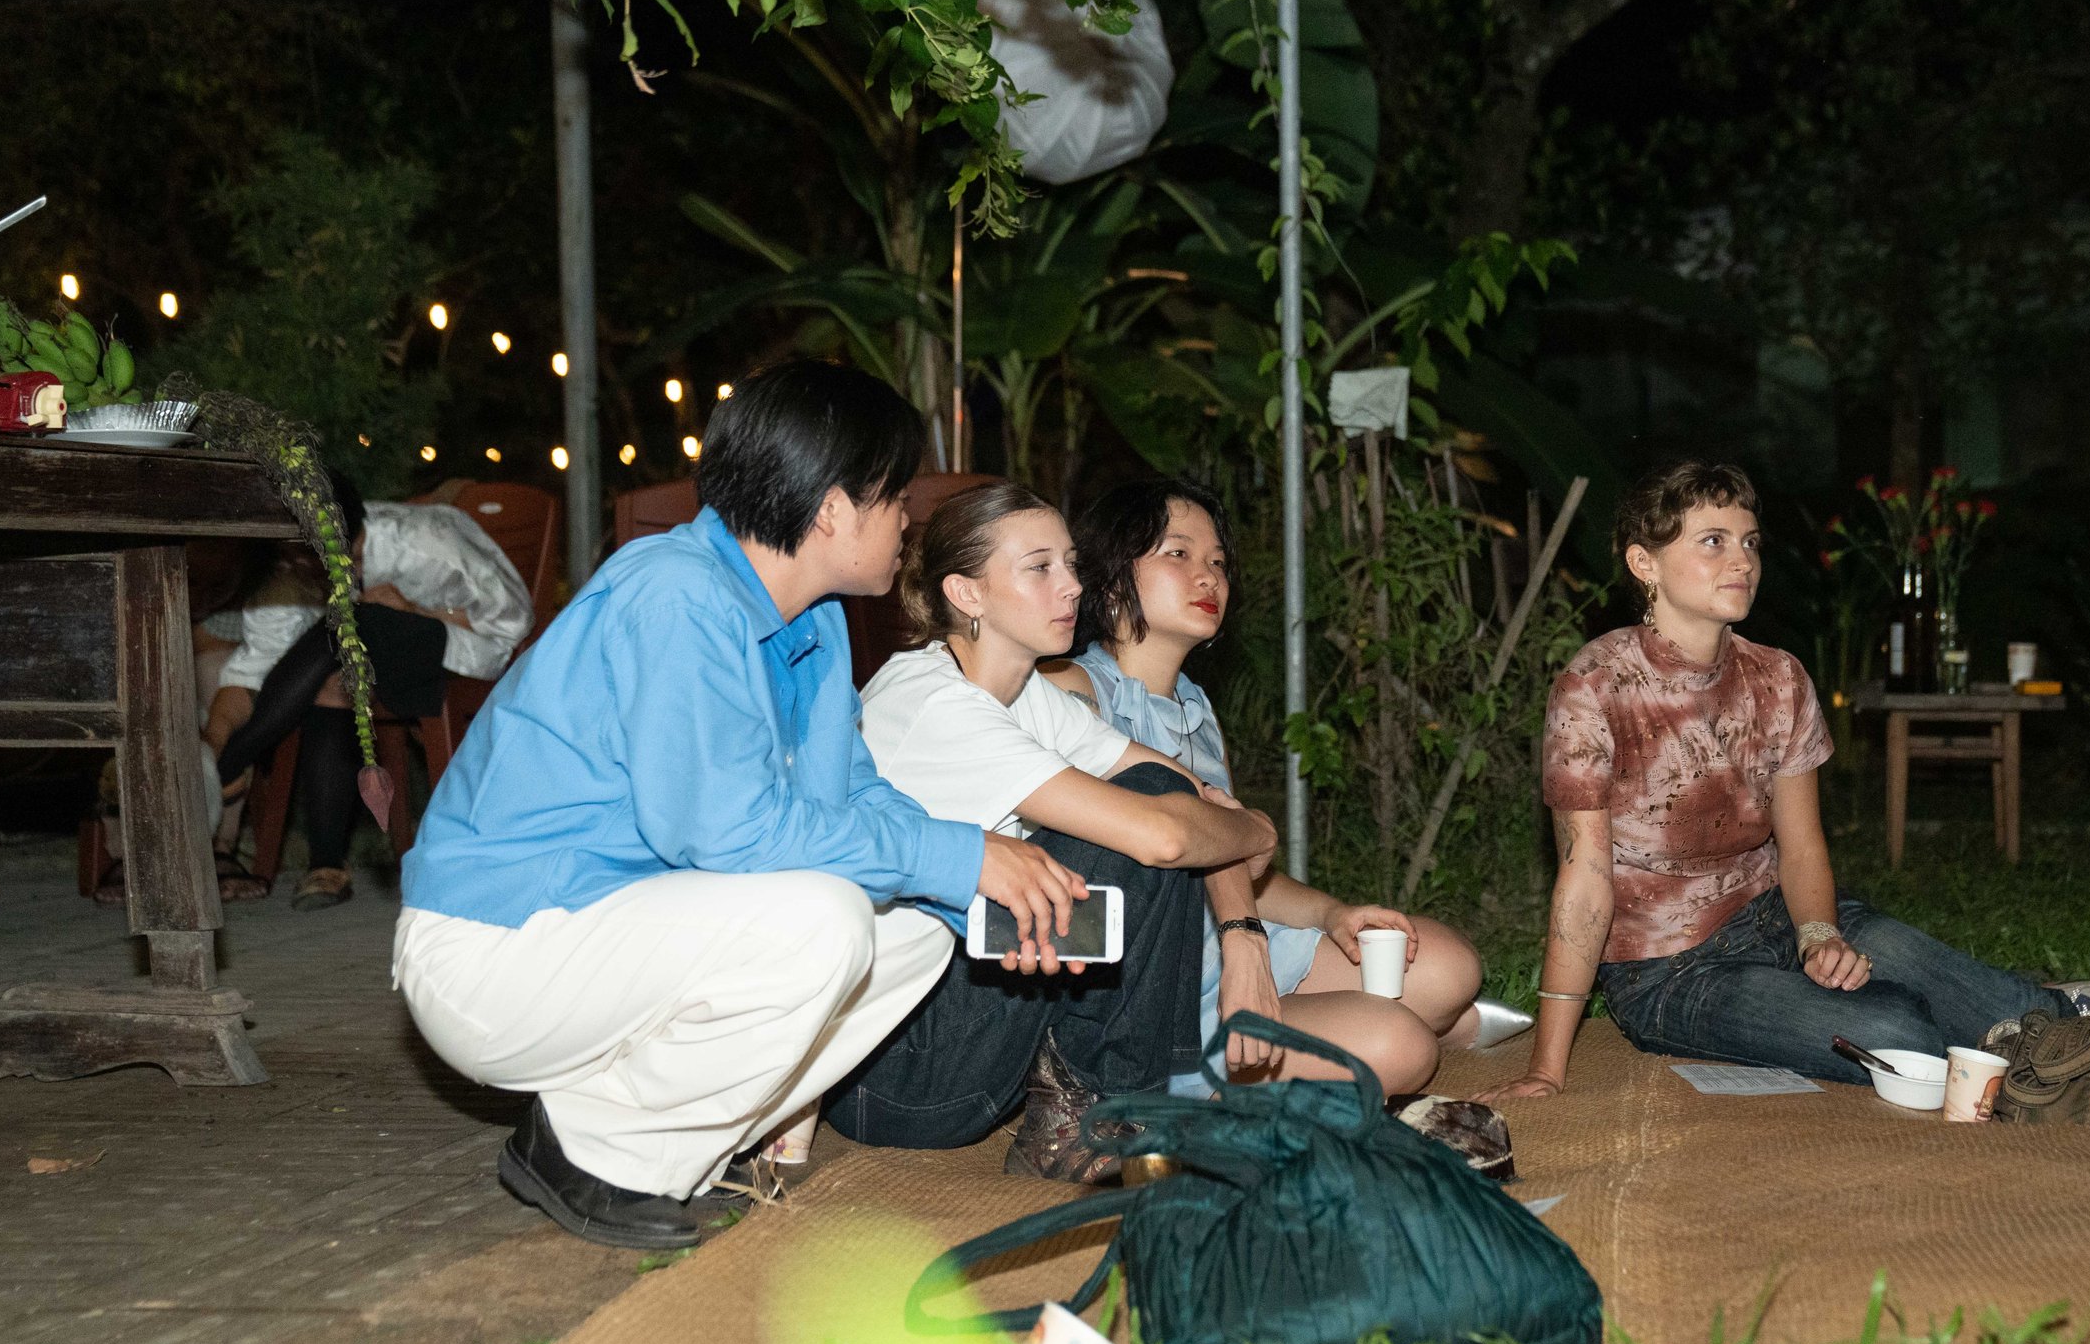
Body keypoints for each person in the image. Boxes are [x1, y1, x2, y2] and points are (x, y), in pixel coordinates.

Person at [392, 363, 1085, 1251]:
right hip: (495, 950)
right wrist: (960, 855)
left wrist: (973, 883)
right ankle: (598, 1150)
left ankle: (639, 1136)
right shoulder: (674, 594)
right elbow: (727, 828)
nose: (908, 518)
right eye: (895, 496)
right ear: (834, 509)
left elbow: (853, 793)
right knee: (825, 917)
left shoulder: (814, 621)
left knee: (914, 928)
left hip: (603, 932)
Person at [1479, 461, 2090, 1102]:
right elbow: (1585, 881)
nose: (1741, 560)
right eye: (1713, 541)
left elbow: (1800, 845)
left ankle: (2043, 1009)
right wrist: (1547, 1066)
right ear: (1643, 563)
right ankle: (1961, 1015)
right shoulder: (1595, 686)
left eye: (1749, 541)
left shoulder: (1779, 677)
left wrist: (1820, 935)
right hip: (1668, 972)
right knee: (1900, 1037)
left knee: (2005, 1008)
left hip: (1777, 914)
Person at [832, 482, 1281, 1182]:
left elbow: (1184, 793)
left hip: (970, 1021)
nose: (1072, 584)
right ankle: (1092, 1112)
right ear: (968, 593)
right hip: (891, 1072)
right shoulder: (932, 702)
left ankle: (1122, 1108)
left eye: (1070, 563)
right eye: (1039, 567)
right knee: (1146, 826)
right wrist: (1255, 831)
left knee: (1157, 801)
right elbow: (1164, 835)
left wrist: (1236, 881)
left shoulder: (1028, 695)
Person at [1050, 477, 1484, 1099]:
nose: (1208, 578)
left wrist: (1332, 913)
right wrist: (1240, 944)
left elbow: (1233, 866)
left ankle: (1338, 1038)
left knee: (1447, 966)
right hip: (1157, 997)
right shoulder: (1073, 693)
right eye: (1179, 554)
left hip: (1234, 947)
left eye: (1218, 563)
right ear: (1113, 578)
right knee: (1402, 1046)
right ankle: (1214, 1083)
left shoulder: (1195, 708)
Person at [203, 470, 532, 909]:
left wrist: (415, 611)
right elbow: (255, 668)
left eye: (304, 555)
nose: (294, 565)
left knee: (358, 620)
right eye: (286, 554)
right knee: (335, 676)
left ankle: (229, 766)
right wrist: (210, 741)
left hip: (469, 652)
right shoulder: (289, 568)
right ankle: (325, 863)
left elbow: (513, 620)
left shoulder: (420, 542)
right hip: (362, 663)